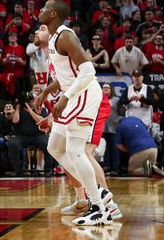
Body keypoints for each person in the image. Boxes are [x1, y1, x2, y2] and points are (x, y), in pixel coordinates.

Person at [34, 24, 121, 220]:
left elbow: (84, 72)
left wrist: (49, 94)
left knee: (83, 152)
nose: (38, 30)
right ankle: (83, 198)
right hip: (75, 100)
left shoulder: (63, 41)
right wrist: (50, 107)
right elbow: (66, 83)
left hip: (90, 100)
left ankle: (108, 204)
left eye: (42, 28)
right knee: (59, 149)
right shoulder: (52, 57)